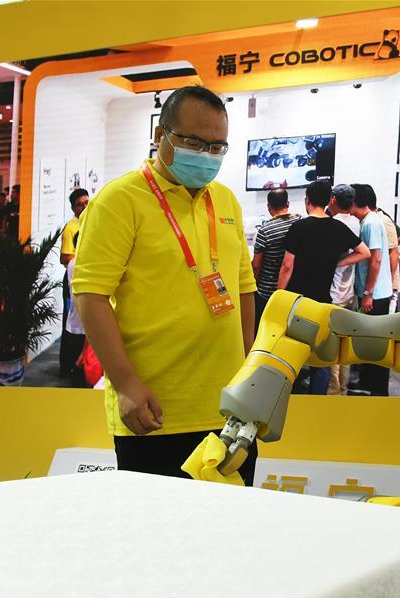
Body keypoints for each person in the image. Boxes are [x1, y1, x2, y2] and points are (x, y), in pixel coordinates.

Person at [73, 86, 258, 483]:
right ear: (160, 135)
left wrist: (249, 374)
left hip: (231, 415)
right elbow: (90, 295)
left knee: (233, 520)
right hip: (154, 413)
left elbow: (244, 288)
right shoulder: (119, 200)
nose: (206, 155)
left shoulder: (226, 201)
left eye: (217, 147)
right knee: (158, 523)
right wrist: (126, 385)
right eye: (194, 142)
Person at [278, 178, 369, 395]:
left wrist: (279, 295)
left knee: (294, 352)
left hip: (298, 301)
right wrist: (338, 262)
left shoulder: (299, 227)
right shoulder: (337, 227)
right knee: (321, 357)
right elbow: (364, 252)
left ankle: (292, 397)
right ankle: (317, 399)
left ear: (307, 201)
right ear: (329, 200)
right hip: (323, 302)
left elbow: (287, 266)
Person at [349, 183, 393, 396]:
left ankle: (377, 389)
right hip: (375, 292)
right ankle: (368, 384)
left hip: (375, 294)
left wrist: (368, 293)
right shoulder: (369, 221)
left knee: (376, 343)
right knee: (370, 341)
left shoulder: (371, 224)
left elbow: (375, 260)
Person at [326, 184, 361, 395]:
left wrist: (336, 264)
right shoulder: (355, 221)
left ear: (333, 199)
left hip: (334, 293)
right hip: (349, 292)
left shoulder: (334, 223)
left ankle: (333, 390)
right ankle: (344, 389)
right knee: (345, 344)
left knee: (332, 345)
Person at [251, 188, 300, 333]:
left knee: (265, 330)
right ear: (288, 204)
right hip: (293, 290)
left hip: (267, 292)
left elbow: (256, 265)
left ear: (268, 207)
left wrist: (253, 287)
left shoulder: (265, 230)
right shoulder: (299, 223)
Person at [58, 188, 90, 378]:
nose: (84, 207)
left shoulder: (91, 222)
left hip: (85, 275)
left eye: (87, 202)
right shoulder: (71, 227)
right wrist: (85, 257)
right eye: (79, 205)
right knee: (72, 324)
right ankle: (67, 366)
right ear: (73, 208)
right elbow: (64, 257)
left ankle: (84, 365)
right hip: (73, 277)